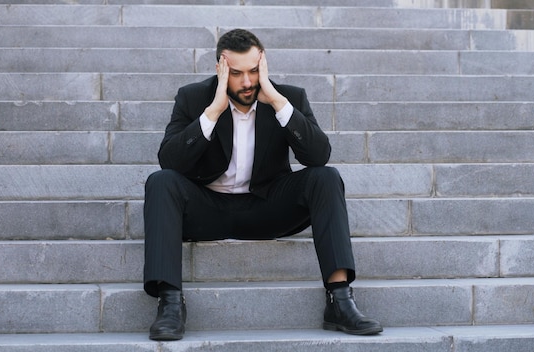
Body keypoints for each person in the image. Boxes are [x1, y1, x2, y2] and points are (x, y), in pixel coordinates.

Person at [143, 28, 383, 341]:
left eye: (254, 71)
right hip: (207, 208)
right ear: (221, 69)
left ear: (264, 64)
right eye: (238, 73)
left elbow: (318, 155)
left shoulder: (288, 98)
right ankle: (171, 305)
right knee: (160, 182)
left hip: (267, 207)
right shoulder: (193, 98)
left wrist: (279, 104)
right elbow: (170, 161)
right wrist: (213, 111)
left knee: (326, 177)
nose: (247, 82)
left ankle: (339, 300)